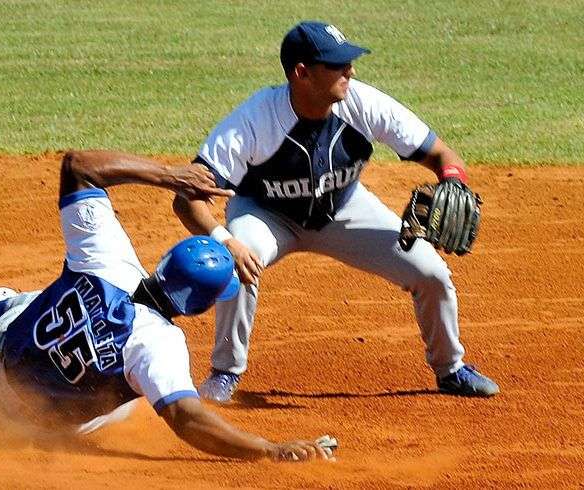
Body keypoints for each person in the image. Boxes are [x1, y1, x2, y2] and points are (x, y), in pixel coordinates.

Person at [0, 150, 334, 462]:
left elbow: (78, 166)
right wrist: (268, 448)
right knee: (132, 398)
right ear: (199, 306)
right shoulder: (159, 346)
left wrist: (170, 177)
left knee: (35, 300)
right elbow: (187, 419)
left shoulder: (108, 258)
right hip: (24, 425)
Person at [173, 21, 500, 403]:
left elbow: (443, 155)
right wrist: (225, 239)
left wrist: (453, 180)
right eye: (338, 65)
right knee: (237, 260)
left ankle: (451, 369)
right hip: (267, 215)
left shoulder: (363, 103)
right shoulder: (254, 120)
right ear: (302, 73)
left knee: (430, 273)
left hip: (344, 209)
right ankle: (223, 375)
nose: (351, 71)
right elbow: (187, 197)